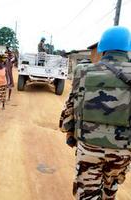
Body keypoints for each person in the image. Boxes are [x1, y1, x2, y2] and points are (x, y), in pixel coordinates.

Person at [59, 26, 131, 199]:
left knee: (87, 192)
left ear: (103, 48)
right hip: (123, 150)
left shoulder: (83, 70)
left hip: (89, 146)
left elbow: (71, 105)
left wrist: (68, 131)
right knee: (111, 187)